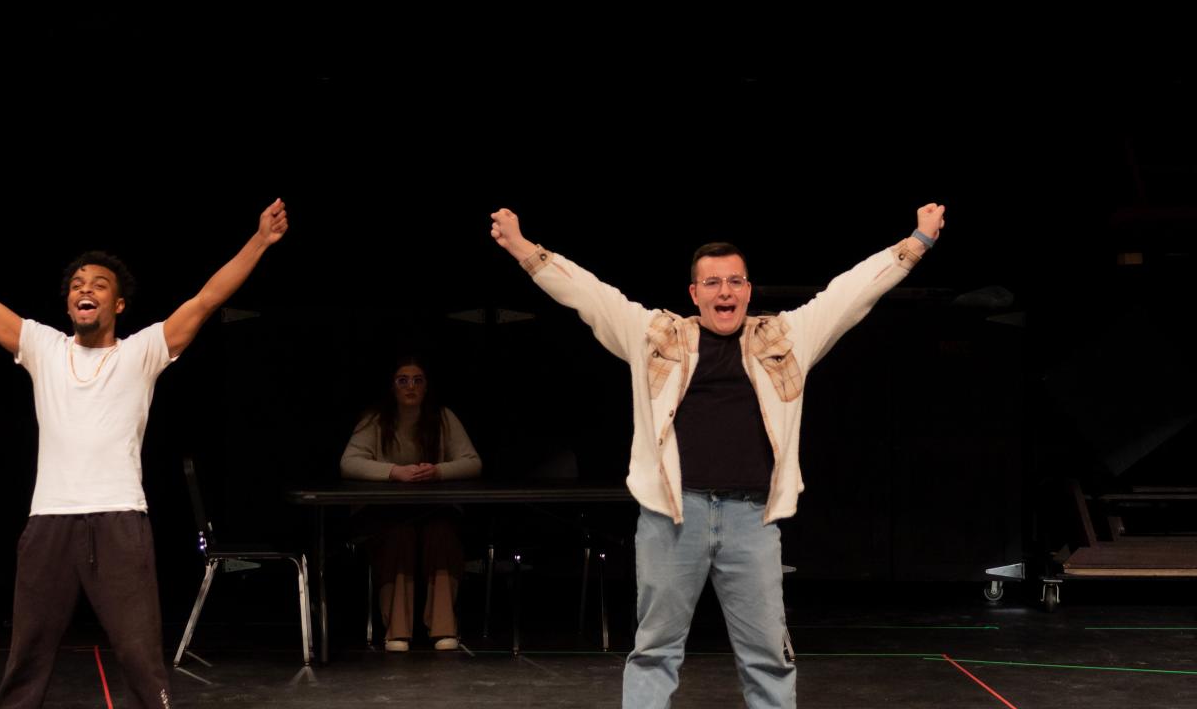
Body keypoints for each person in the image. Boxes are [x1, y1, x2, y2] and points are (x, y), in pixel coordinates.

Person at [489, 204, 944, 708]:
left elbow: (850, 293)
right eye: (712, 283)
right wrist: (522, 247)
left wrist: (917, 242)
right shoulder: (656, 338)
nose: (724, 291)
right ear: (694, 293)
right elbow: (589, 294)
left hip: (752, 519)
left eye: (734, 281)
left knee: (768, 653)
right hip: (672, 516)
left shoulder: (786, 339)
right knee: (654, 649)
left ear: (749, 290)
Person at [0, 200, 289, 709]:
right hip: (49, 523)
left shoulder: (142, 351)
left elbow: (205, 300)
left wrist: (260, 241)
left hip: (120, 521)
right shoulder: (43, 347)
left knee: (139, 656)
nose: (85, 289)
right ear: (69, 305)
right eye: (76, 285)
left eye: (99, 284)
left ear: (118, 306)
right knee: (27, 655)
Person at [340, 357, 482, 652]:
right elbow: (349, 462)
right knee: (398, 536)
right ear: (392, 386)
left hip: (433, 509)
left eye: (417, 380)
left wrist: (438, 471)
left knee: (441, 533)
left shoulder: (443, 418)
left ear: (426, 385)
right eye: (402, 380)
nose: (410, 386)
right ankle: (397, 631)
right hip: (385, 515)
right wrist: (394, 472)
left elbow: (472, 462)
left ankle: (444, 627)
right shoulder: (376, 419)